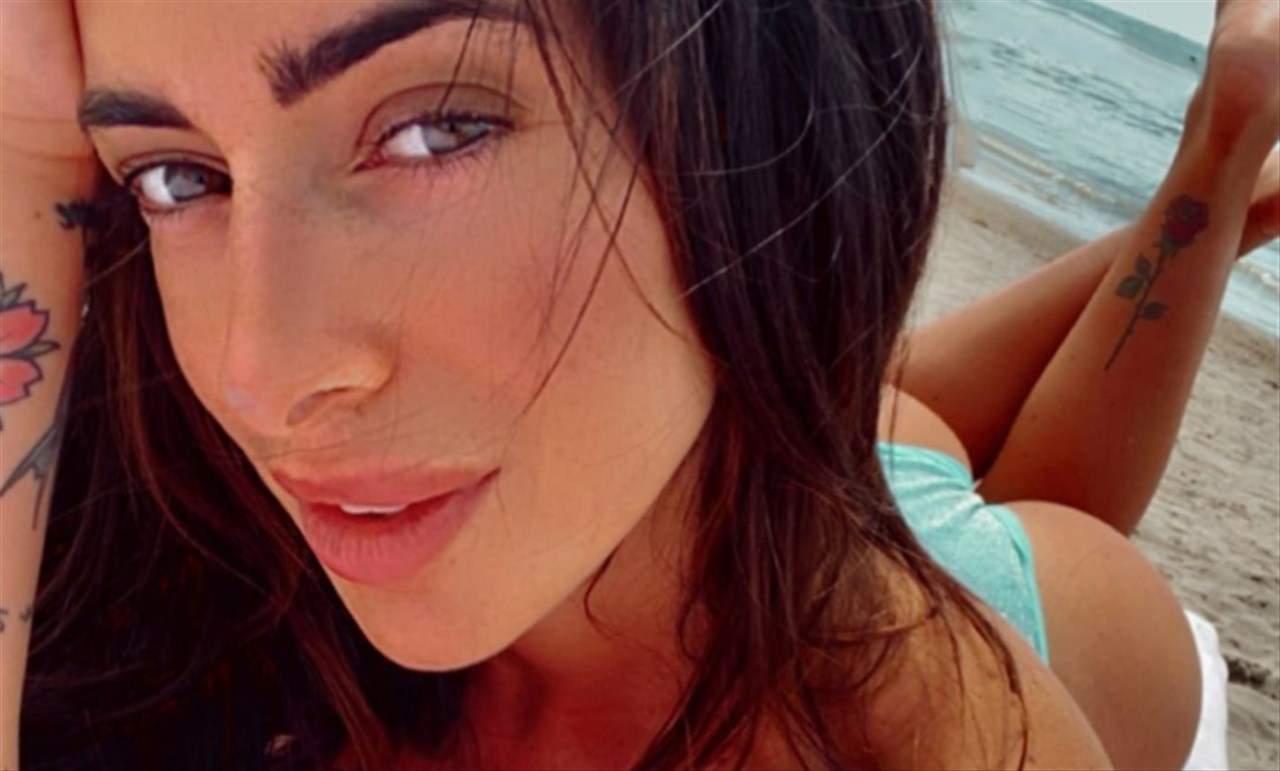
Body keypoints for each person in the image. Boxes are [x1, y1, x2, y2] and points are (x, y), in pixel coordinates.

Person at [1, 1, 1275, 769]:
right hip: (768, 452)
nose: (260, 382)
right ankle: (1215, 185)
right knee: (876, 410)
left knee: (1041, 520)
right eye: (176, 176)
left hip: (881, 550)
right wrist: (29, 142)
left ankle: (1223, 148)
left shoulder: (956, 729)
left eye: (438, 129)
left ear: (757, 116)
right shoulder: (153, 575)